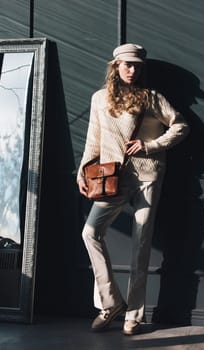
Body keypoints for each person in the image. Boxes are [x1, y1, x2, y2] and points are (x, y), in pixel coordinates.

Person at [77, 43, 190, 335]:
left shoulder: (152, 98)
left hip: (148, 177)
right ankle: (110, 302)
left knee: (141, 245)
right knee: (90, 232)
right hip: (112, 178)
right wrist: (83, 170)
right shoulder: (100, 99)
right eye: (127, 64)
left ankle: (134, 316)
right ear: (115, 66)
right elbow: (93, 139)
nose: (132, 69)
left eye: (137, 65)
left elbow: (180, 126)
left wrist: (150, 145)